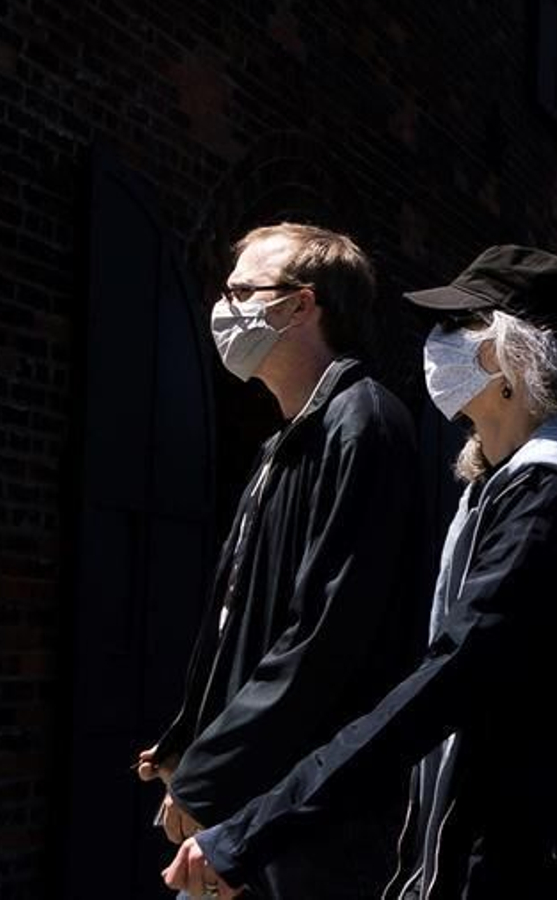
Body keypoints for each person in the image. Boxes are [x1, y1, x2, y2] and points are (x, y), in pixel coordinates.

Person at [163, 245, 557, 899]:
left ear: (512, 357)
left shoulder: (546, 502)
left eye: (459, 325)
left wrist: (249, 832)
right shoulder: (500, 490)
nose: (437, 343)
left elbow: (448, 680)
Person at [134, 223, 427, 896]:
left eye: (242, 292)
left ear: (301, 305)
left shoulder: (364, 426)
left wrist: (213, 769)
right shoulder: (287, 442)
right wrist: (193, 737)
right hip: (259, 794)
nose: (224, 309)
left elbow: (324, 634)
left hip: (312, 812)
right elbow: (241, 618)